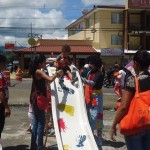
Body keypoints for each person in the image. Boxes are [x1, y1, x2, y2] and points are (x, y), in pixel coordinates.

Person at [110, 50, 150, 150]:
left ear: (135, 64)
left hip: (135, 127)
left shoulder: (133, 80)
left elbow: (123, 106)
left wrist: (114, 125)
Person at [29, 54, 63, 150]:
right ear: (40, 63)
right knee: (41, 123)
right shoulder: (39, 71)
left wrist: (52, 62)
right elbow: (50, 79)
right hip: (39, 99)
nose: (46, 64)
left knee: (35, 123)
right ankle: (40, 146)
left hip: (34, 99)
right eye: (44, 62)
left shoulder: (36, 69)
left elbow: (47, 63)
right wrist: (57, 73)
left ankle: (34, 146)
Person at [81, 55, 104, 150]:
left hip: (96, 98)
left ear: (96, 65)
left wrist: (80, 78)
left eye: (92, 63)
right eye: (89, 63)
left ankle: (98, 141)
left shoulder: (99, 74)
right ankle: (91, 139)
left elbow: (91, 83)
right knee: (89, 117)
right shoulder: (90, 72)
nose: (90, 65)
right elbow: (82, 73)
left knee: (95, 118)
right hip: (89, 97)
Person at [0, 54, 11, 139]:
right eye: (4, 63)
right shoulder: (0, 75)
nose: (5, 65)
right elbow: (0, 92)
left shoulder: (2, 74)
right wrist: (6, 107)